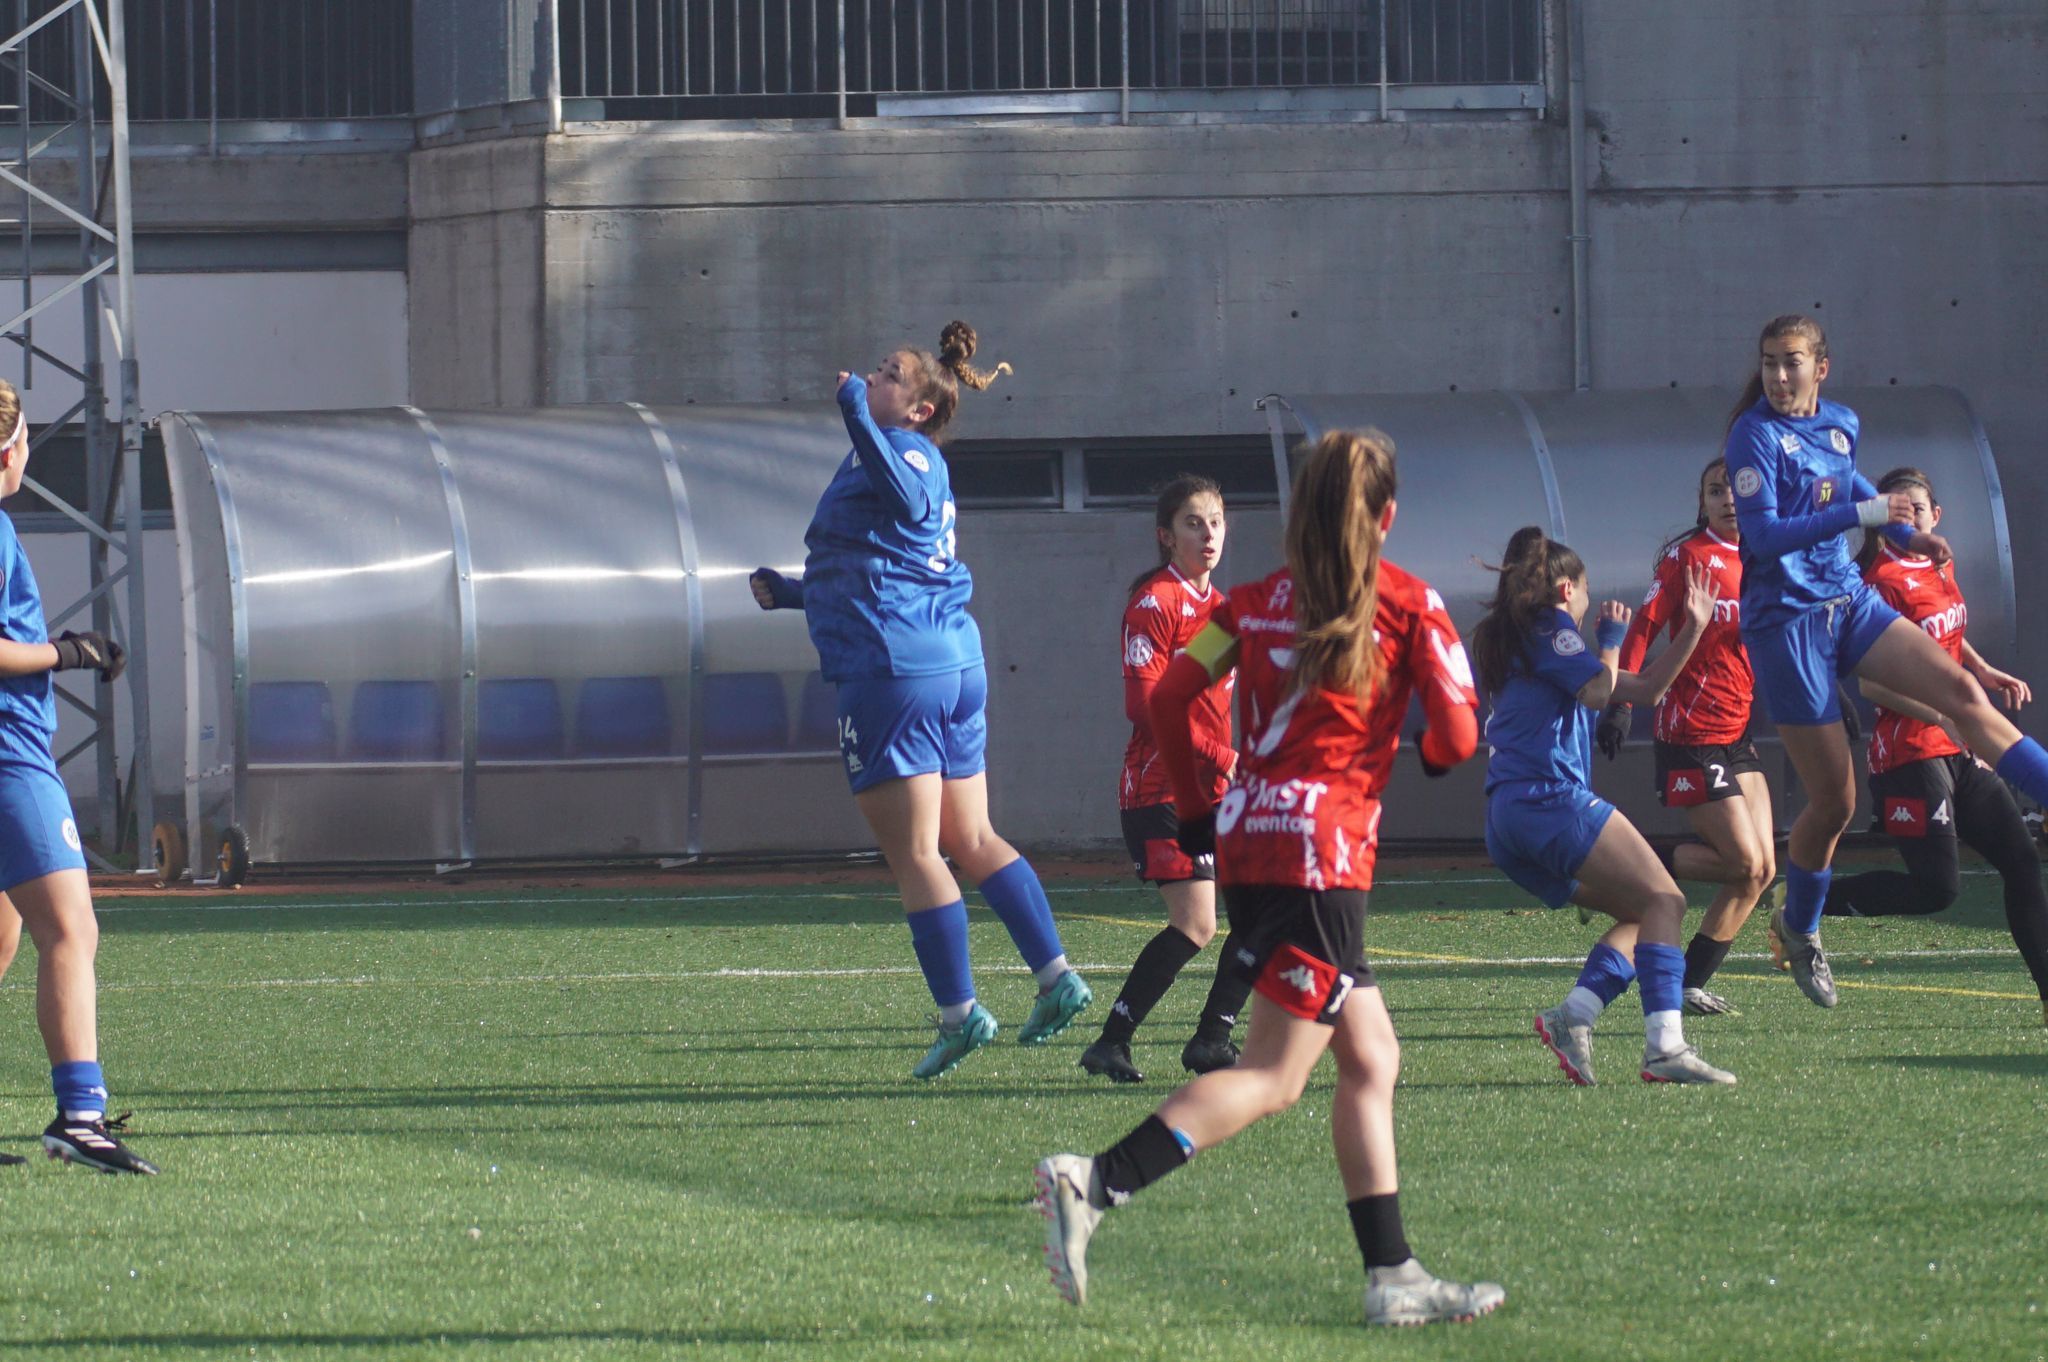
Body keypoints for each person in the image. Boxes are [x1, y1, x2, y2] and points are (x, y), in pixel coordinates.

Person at [1035, 430, 1505, 1328]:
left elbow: (1169, 696)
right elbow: (1457, 739)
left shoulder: (1246, 607)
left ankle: (1391, 1273)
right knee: (1276, 1076)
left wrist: (1196, 810)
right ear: (1388, 517)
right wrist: (1426, 747)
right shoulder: (1407, 603)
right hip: (1322, 861)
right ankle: (1094, 1182)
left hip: (1250, 839)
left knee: (1371, 1056)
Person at [749, 322, 1091, 1079]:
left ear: (920, 411)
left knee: (915, 853)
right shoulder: (899, 455)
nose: (873, 377)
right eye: (876, 370)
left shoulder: (901, 451)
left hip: (894, 672)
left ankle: (960, 1015)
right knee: (972, 838)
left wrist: (852, 411)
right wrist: (798, 594)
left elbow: (903, 507)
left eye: (889, 375)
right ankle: (1056, 976)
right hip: (948, 661)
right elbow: (885, 565)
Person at [1724, 314, 2048, 1009]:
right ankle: (1801, 925)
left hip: (1848, 602)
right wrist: (1867, 516)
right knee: (1833, 805)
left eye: (1793, 364)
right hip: (1787, 626)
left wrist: (1904, 532)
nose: (1780, 378)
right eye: (1770, 363)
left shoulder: (1840, 423)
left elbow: (1848, 485)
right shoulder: (1753, 435)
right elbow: (1765, 535)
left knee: (1964, 692)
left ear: (1822, 368)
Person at [1475, 525, 1736, 1085]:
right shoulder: (1551, 628)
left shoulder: (1520, 637)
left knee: (1643, 913)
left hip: (1509, 819)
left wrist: (1692, 627)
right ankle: (1664, 1047)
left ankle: (1575, 1015)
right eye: (1587, 588)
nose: (1591, 599)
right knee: (1667, 897)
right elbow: (1599, 690)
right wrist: (1611, 639)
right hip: (1548, 798)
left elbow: (1644, 692)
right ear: (1567, 589)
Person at [1820, 468, 2048, 1022]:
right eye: (1899, 511)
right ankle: (1804, 903)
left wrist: (1983, 671)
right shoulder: (1875, 579)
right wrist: (1949, 713)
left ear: (1935, 516)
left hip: (1958, 746)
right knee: (1936, 890)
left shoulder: (1938, 562)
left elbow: (1943, 634)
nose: (1911, 519)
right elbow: (1873, 682)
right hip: (1908, 753)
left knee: (2021, 862)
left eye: (1918, 509)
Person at [0, 379, 155, 1172]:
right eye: (26, 439)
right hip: (8, 755)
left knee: (4, 938)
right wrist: (69, 652)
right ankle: (80, 1116)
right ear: (9, 447)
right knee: (72, 929)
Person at [1079, 475, 1254, 1084]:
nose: (1209, 535)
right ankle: (1112, 1041)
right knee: (1196, 925)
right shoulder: (1155, 603)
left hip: (1216, 790)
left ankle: (1212, 1039)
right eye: (1193, 523)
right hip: (1164, 791)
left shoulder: (1222, 610)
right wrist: (1220, 754)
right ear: (1165, 536)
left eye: (1216, 522)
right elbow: (1147, 708)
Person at [1596, 458, 1776, 1016]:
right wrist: (1620, 702)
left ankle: (1689, 982)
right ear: (1702, 501)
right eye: (1716, 491)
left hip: (1738, 730)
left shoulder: (1766, 559)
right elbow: (1644, 628)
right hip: (1690, 733)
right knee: (1744, 864)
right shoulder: (1687, 558)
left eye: (1738, 490)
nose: (1727, 500)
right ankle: (1640, 865)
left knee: (1763, 870)